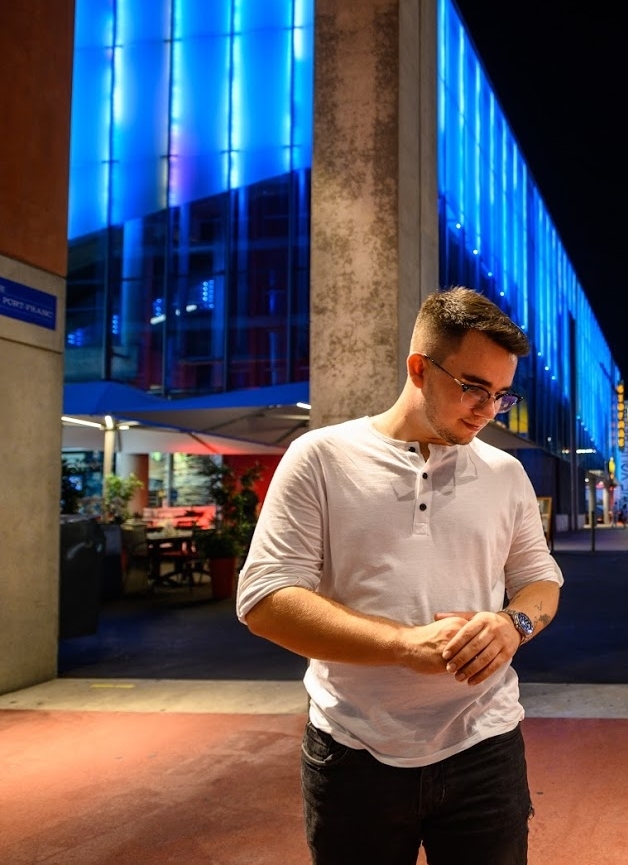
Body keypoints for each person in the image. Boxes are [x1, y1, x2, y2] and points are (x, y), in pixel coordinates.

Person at [236, 287, 563, 864]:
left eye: (501, 395)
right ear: (419, 368)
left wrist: (513, 625)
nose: (487, 410)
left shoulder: (506, 473)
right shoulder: (320, 458)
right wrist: (403, 645)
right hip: (352, 750)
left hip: (485, 744)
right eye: (473, 388)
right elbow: (264, 599)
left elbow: (541, 580)